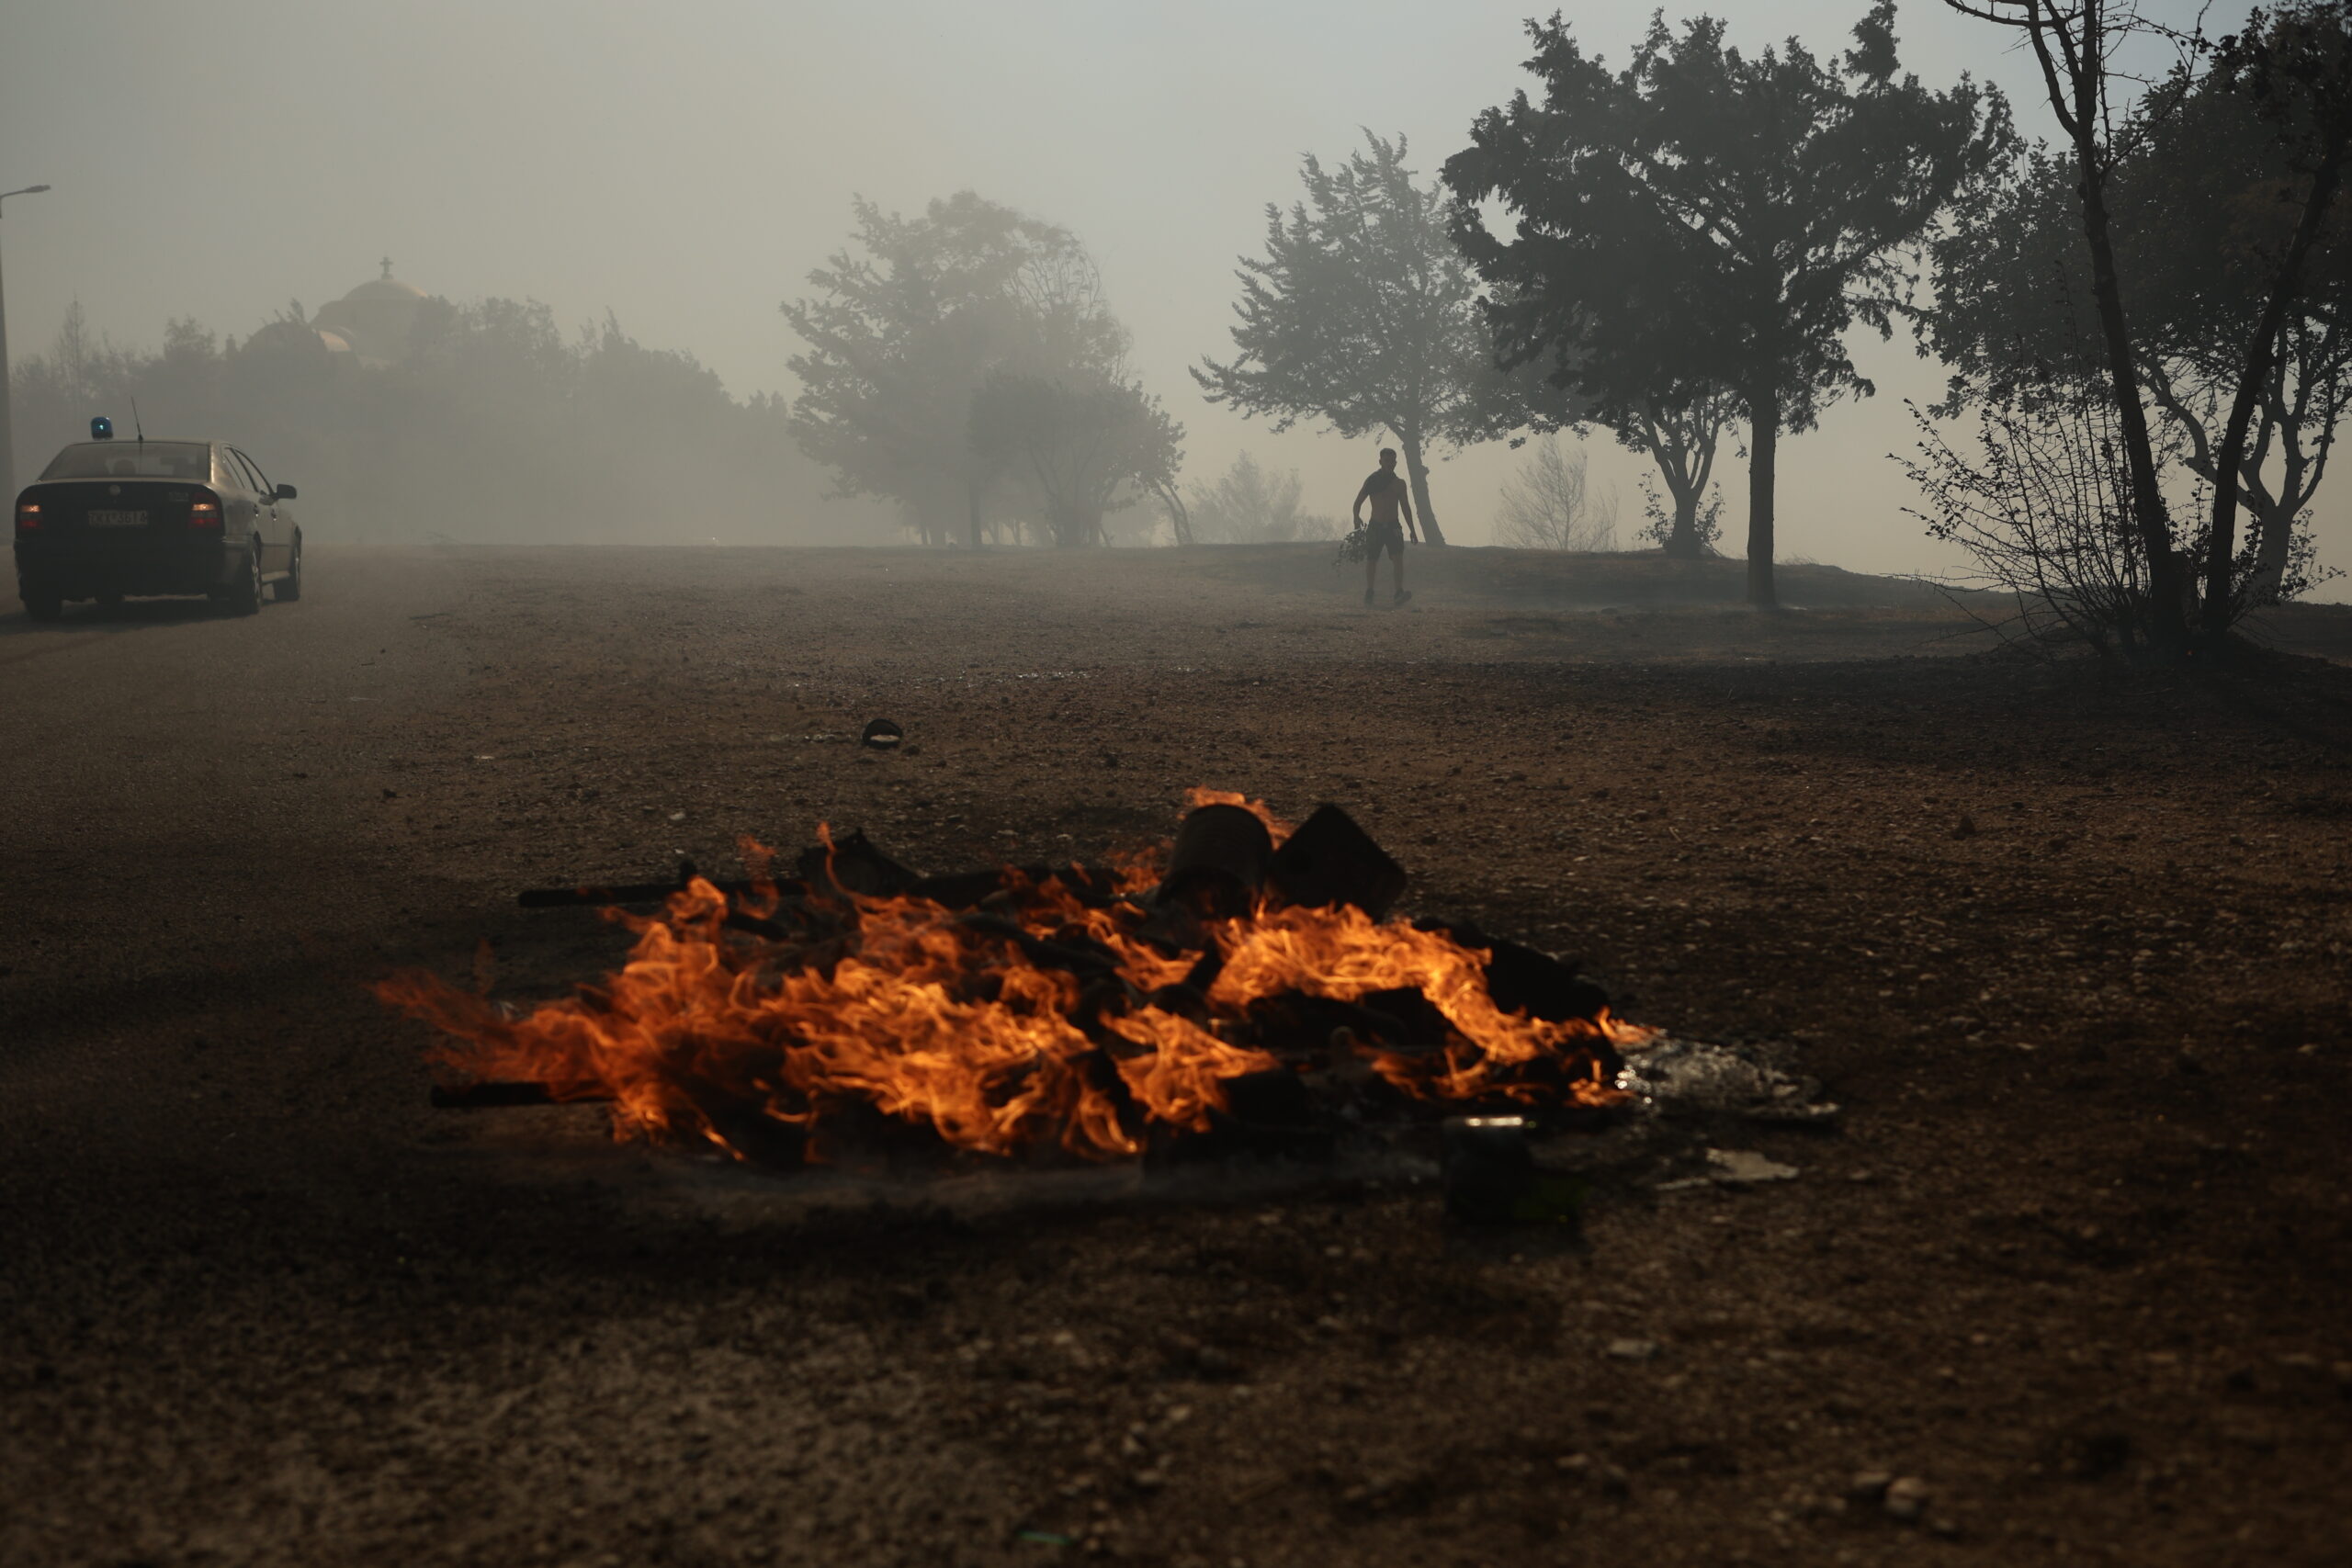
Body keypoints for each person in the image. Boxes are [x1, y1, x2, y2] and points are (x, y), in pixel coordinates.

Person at [1351, 447, 1418, 607]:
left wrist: (1412, 530)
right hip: (1375, 525)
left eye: (1392, 461)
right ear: (1380, 461)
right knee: (1372, 559)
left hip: (1393, 525)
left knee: (1398, 559)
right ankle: (1369, 592)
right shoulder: (1372, 481)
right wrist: (1356, 517)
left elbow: (1406, 508)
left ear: (1395, 463)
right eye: (1386, 461)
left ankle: (1398, 593)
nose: (1389, 464)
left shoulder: (1399, 484)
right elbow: (1358, 501)